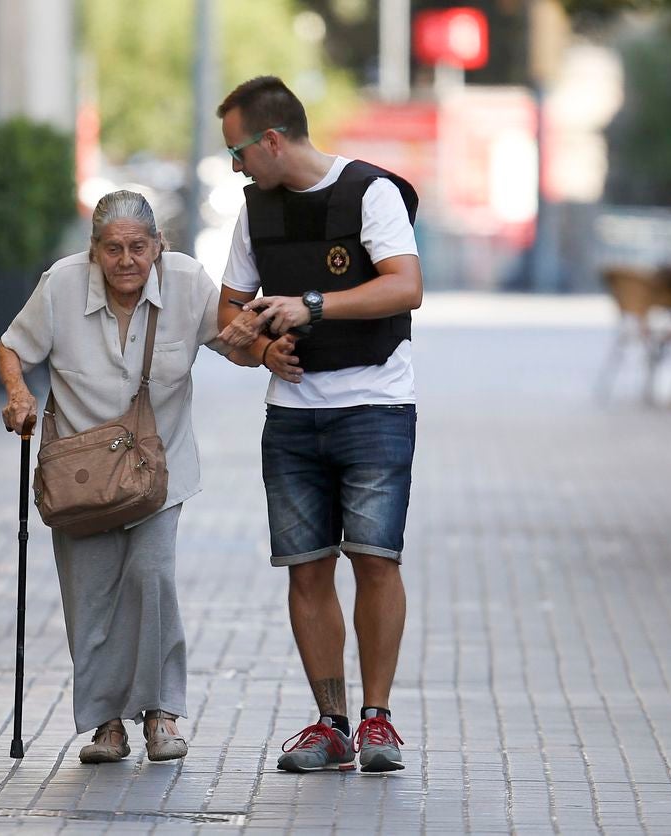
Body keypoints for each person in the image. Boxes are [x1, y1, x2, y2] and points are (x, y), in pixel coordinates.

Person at [0, 190, 262, 764]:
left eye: (138, 247)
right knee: (90, 595)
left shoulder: (188, 284)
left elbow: (234, 343)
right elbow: (11, 349)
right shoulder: (62, 285)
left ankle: (161, 713)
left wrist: (267, 347)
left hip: (156, 471)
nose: (126, 261)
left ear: (157, 247)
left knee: (151, 576)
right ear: (94, 251)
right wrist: (18, 396)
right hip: (80, 474)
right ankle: (107, 724)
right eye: (112, 249)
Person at [214, 76, 422, 773]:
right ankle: (331, 723)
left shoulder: (371, 192)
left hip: (374, 405)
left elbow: (405, 285)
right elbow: (228, 314)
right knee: (306, 570)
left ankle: (378, 721)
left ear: (272, 139)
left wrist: (312, 306)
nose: (235, 166)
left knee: (375, 559)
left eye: (239, 151)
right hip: (292, 420)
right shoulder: (254, 212)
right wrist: (260, 347)